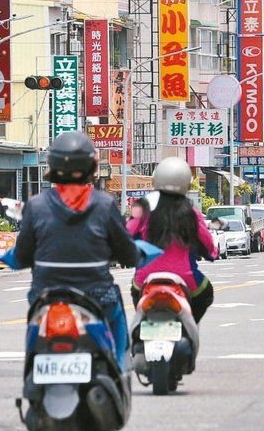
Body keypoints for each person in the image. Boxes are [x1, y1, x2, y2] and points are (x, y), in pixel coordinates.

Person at [14, 132, 139, 363]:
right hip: (97, 294)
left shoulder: (36, 205)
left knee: (35, 328)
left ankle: (32, 369)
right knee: (118, 321)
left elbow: (21, 255)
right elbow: (126, 250)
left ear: (52, 164)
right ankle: (120, 369)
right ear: (91, 165)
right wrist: (131, 256)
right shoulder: (104, 203)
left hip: (46, 294)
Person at [131, 158, 217, 322]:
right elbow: (206, 244)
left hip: (144, 278)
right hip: (186, 277)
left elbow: (127, 235)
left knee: (135, 291)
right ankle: (189, 323)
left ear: (156, 180)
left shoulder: (142, 207)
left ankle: (144, 321)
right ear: (187, 183)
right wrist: (211, 254)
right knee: (206, 293)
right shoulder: (191, 212)